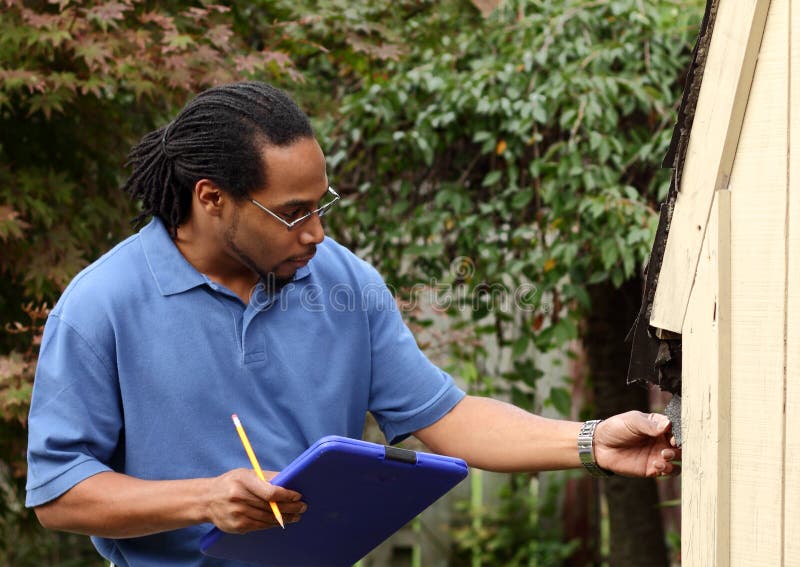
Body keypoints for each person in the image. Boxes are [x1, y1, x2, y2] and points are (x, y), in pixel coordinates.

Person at [26, 81, 679, 567]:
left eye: (321, 204)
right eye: (293, 212)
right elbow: (60, 494)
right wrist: (203, 498)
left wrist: (592, 441)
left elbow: (444, 416)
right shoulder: (101, 305)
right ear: (211, 197)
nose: (317, 231)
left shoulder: (343, 281)